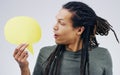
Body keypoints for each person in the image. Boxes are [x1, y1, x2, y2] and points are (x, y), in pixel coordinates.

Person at [13, 1, 119, 75]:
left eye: (62, 23)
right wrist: (24, 67)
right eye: (56, 21)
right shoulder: (45, 54)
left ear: (79, 30)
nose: (54, 27)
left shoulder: (103, 55)